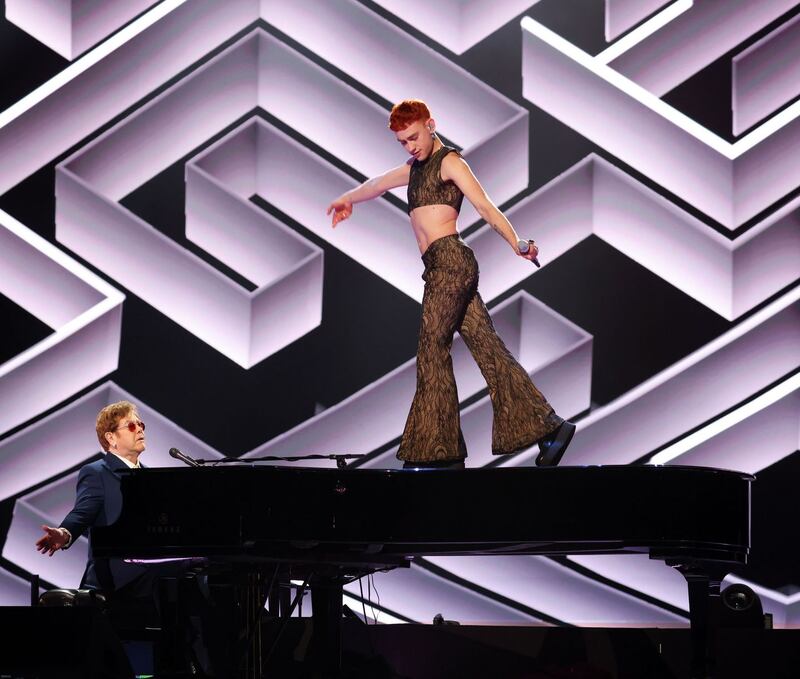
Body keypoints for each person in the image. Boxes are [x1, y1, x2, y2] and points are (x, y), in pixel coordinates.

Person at [326, 99, 575, 469]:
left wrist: (517, 243)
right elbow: (377, 183)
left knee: (431, 348)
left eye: (413, 137)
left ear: (431, 124)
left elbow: (486, 207)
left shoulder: (451, 162)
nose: (410, 146)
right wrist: (349, 198)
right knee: (488, 349)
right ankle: (550, 430)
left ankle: (438, 454)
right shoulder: (414, 168)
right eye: (403, 142)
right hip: (438, 268)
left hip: (451, 265)